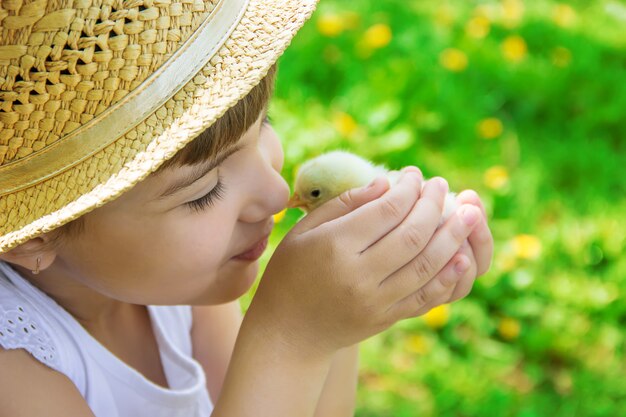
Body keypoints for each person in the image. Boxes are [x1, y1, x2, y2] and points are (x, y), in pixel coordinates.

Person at [0, 0, 493, 416]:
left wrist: (344, 316)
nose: (277, 194)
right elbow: (282, 368)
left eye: (265, 125)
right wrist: (290, 339)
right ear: (32, 235)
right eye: (205, 190)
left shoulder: (176, 287)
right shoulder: (14, 375)